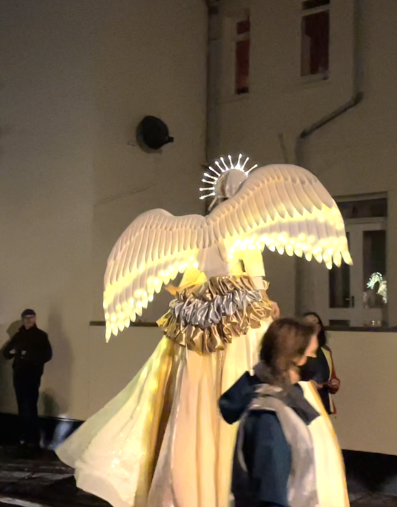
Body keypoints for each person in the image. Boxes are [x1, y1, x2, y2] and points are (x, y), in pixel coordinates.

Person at [55, 162, 352, 507]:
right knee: (259, 368)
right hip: (239, 317)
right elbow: (254, 277)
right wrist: (268, 304)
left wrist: (192, 298)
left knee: (193, 394)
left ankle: (193, 478)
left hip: (199, 321)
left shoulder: (196, 231)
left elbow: (192, 278)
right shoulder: (243, 226)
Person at [219, 318, 324, 507]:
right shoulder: (268, 417)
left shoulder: (284, 404)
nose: (316, 360)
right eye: (313, 353)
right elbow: (271, 494)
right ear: (295, 358)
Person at [3, 309, 52, 448]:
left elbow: (47, 355)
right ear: (23, 319)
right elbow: (6, 353)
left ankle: (32, 437)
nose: (28, 321)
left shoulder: (41, 336)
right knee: (22, 404)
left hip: (32, 374)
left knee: (30, 404)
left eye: (31, 318)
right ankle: (25, 435)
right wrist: (13, 352)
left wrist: (30, 357)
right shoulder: (19, 335)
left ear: (35, 319)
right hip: (19, 374)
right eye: (26, 318)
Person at [299, 312, 340, 415]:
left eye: (316, 322)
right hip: (304, 402)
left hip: (323, 401)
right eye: (309, 323)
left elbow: (331, 376)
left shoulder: (326, 351)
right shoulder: (296, 351)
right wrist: (310, 385)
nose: (314, 326)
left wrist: (334, 383)